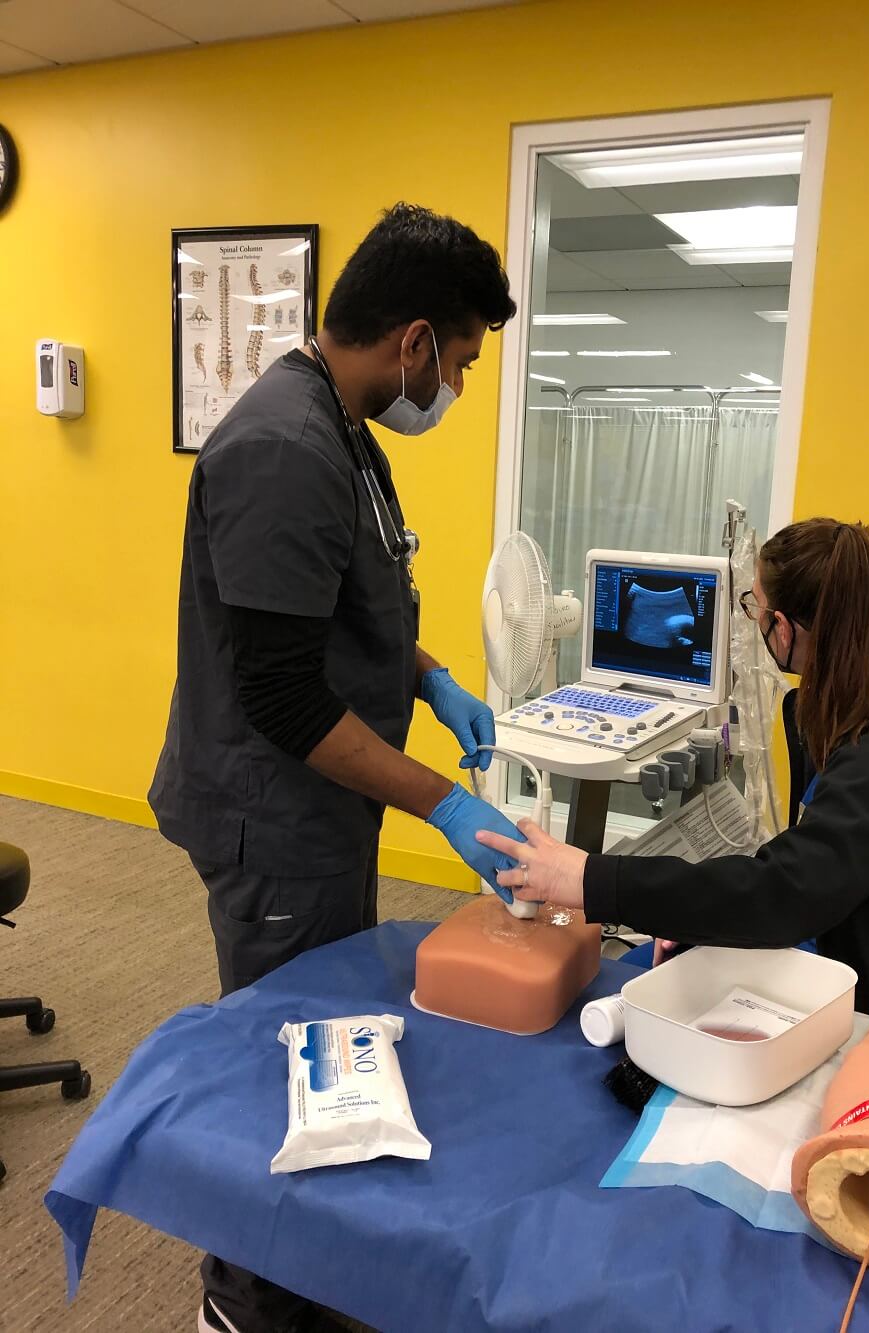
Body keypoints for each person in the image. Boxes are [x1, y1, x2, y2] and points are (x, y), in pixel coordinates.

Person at [149, 203, 526, 1333]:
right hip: (272, 814)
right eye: (456, 361)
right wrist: (443, 802)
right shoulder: (281, 445)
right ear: (413, 340)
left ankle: (303, 1275)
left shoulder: (342, 426)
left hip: (318, 807)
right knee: (285, 1056)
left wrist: (427, 677)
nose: (451, 386)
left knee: (328, 1040)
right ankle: (244, 1299)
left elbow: (343, 607)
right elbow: (280, 691)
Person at [478, 518, 869, 1034]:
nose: (753, 622)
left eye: (755, 609)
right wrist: (702, 917)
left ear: (785, 628)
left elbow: (787, 891)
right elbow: (814, 866)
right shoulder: (865, 700)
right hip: (851, 936)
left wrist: (588, 879)